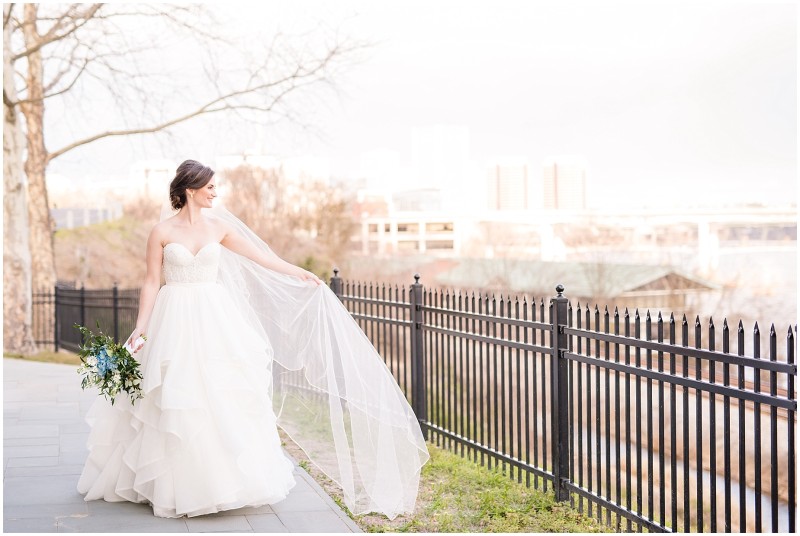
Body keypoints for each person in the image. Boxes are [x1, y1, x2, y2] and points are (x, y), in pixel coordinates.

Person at [77, 160, 429, 519]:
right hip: (174, 316)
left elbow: (262, 259)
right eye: (210, 186)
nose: (216, 192)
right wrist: (142, 326)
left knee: (216, 393)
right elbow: (152, 280)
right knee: (172, 395)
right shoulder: (161, 231)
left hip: (213, 317)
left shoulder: (220, 228)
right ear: (190, 189)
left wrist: (302, 274)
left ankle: (219, 481)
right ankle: (167, 484)